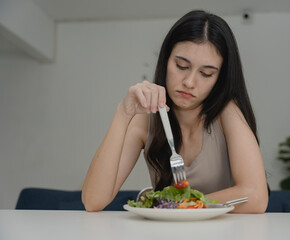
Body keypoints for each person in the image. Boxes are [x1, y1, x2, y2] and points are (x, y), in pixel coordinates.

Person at [82, 10, 269, 213]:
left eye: (206, 74)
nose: (189, 82)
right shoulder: (146, 119)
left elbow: (256, 197)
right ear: (165, 60)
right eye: (181, 66)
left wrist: (168, 205)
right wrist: (122, 114)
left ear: (219, 79)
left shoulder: (227, 112)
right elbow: (93, 201)